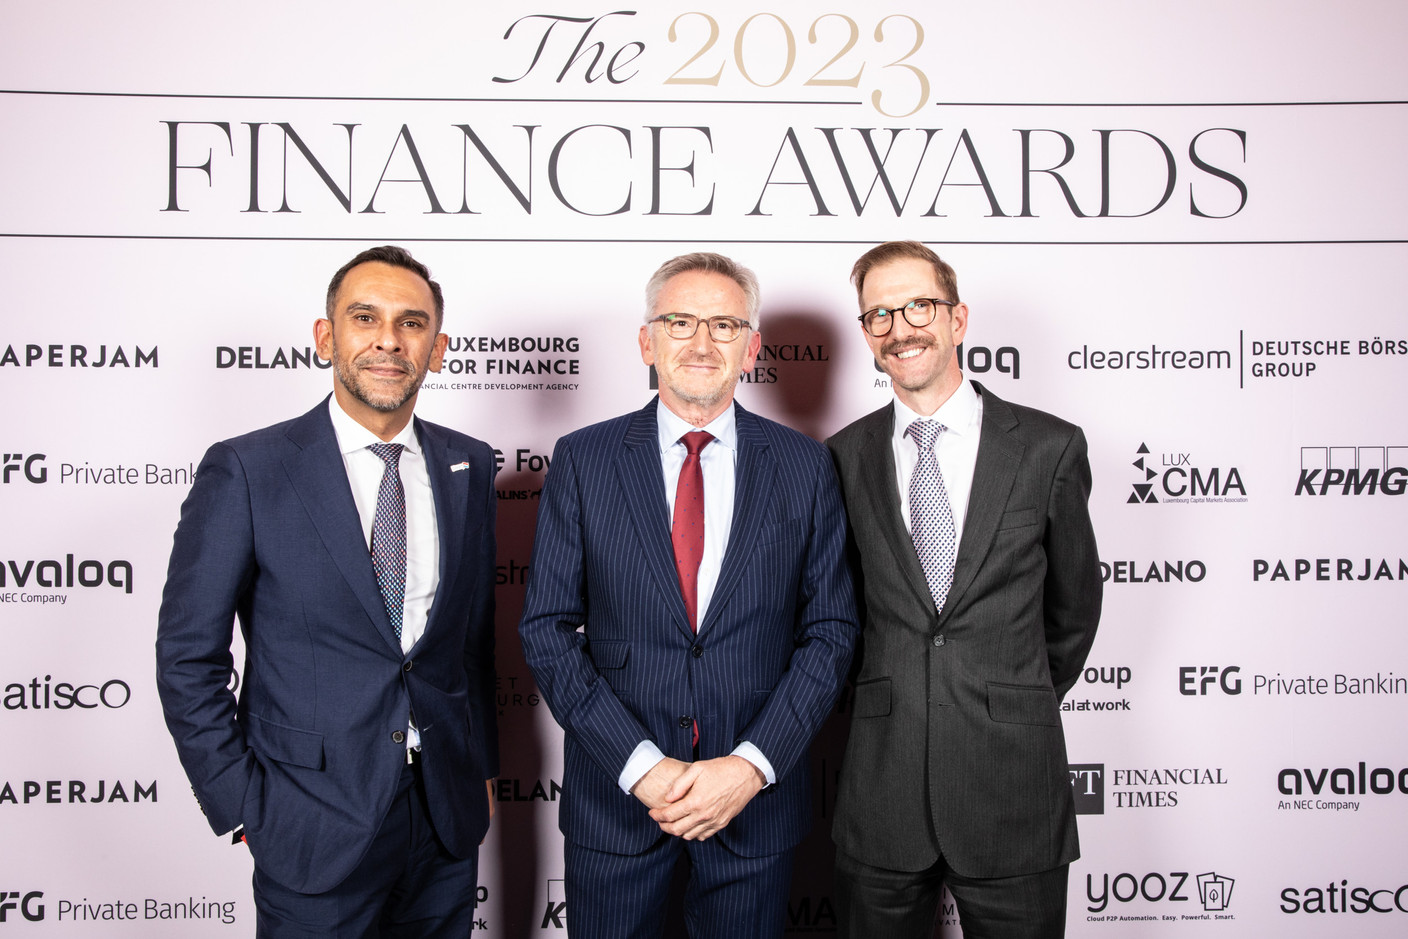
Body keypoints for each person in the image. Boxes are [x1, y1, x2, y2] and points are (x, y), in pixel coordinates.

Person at [155, 246, 498, 937]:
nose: (387, 340)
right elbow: (188, 655)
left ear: (437, 348)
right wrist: (245, 802)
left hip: (443, 821)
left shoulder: (471, 463)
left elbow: (471, 643)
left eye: (411, 323)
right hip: (309, 823)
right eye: (364, 317)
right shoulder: (248, 469)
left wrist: (480, 769)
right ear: (325, 336)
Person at [518, 252, 857, 938]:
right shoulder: (584, 459)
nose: (702, 343)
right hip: (618, 804)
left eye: (725, 324)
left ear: (753, 346)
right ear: (647, 340)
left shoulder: (805, 464)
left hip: (752, 807)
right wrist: (639, 765)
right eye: (679, 321)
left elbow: (831, 632)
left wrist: (750, 767)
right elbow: (546, 630)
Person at [827, 241, 1102, 938]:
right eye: (879, 313)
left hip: (1012, 785)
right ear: (865, 333)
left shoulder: (1049, 447)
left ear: (958, 319)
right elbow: (839, 613)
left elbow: (1073, 610)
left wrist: (1007, 692)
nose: (900, 327)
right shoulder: (842, 456)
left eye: (918, 305)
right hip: (881, 788)